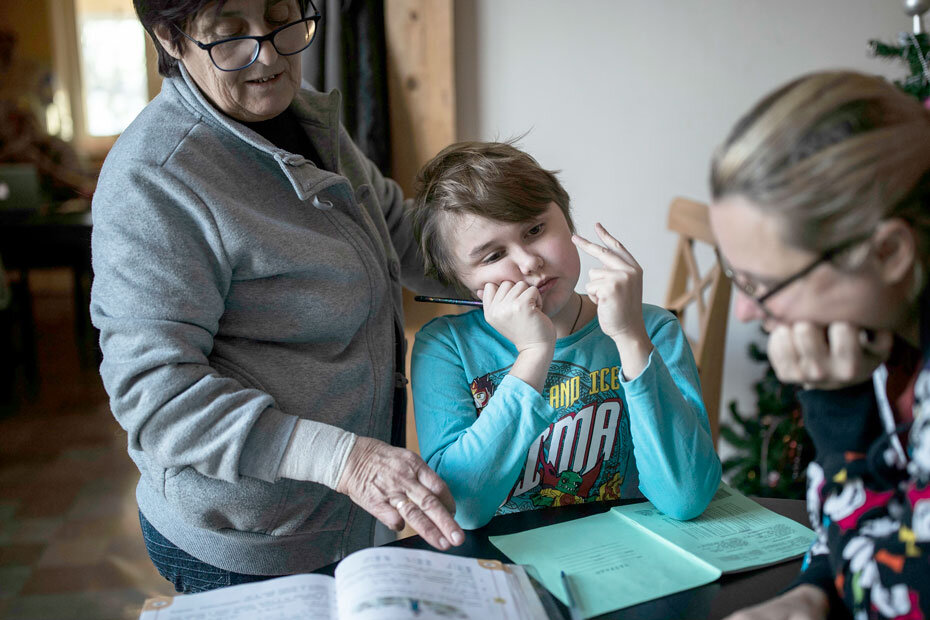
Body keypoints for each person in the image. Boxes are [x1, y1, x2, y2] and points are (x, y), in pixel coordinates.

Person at [89, 0, 463, 593]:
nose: (267, 54)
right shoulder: (154, 176)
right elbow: (155, 394)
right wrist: (345, 460)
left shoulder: (305, 114)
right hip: (249, 539)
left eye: (281, 15)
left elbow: (398, 228)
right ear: (171, 38)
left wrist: (519, 257)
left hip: (343, 514)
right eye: (229, 34)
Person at [406, 141, 721, 529]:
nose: (529, 262)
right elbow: (462, 509)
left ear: (567, 219)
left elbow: (686, 497)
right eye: (493, 256)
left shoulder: (651, 329)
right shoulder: (445, 348)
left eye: (535, 229)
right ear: (462, 283)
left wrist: (630, 338)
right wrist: (533, 353)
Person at [709, 70, 930, 620]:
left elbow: (904, 602)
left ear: (888, 253)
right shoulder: (879, 330)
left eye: (761, 284)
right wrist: (813, 591)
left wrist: (839, 413)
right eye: (736, 278)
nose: (745, 312)